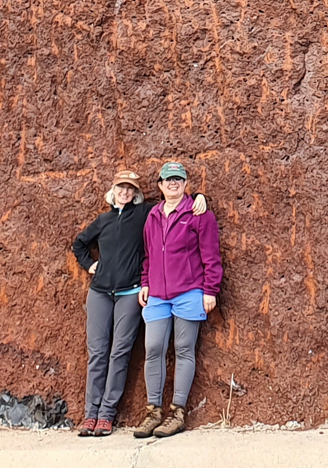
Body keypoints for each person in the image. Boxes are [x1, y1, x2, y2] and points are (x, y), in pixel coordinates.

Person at [134, 161, 221, 439]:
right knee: (154, 348)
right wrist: (145, 283)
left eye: (178, 179)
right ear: (160, 185)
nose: (173, 183)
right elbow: (148, 254)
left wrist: (211, 289)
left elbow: (211, 254)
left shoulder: (199, 213)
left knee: (184, 348)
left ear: (185, 184)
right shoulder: (153, 216)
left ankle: (178, 412)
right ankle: (153, 412)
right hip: (158, 295)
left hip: (189, 292)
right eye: (168, 179)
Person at [70, 168, 148, 436]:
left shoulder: (142, 215)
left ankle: (106, 415)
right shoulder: (102, 220)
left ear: (136, 193)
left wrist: (198, 198)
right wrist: (90, 265)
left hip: (130, 293)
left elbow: (172, 204)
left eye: (130, 189)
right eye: (120, 188)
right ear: (112, 191)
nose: (124, 192)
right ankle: (90, 415)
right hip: (100, 293)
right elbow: (79, 244)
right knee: (98, 353)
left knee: (120, 353)